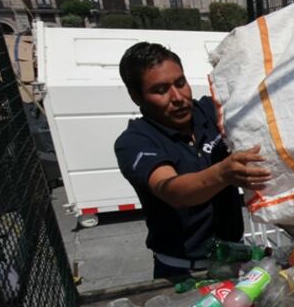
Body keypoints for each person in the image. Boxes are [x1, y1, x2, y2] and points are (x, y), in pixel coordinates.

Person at [113, 42, 270, 280]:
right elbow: (173, 191)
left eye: (180, 83)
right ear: (136, 96)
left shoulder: (210, 111)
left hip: (235, 257)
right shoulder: (135, 142)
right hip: (184, 271)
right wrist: (222, 173)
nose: (178, 97)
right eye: (160, 90)